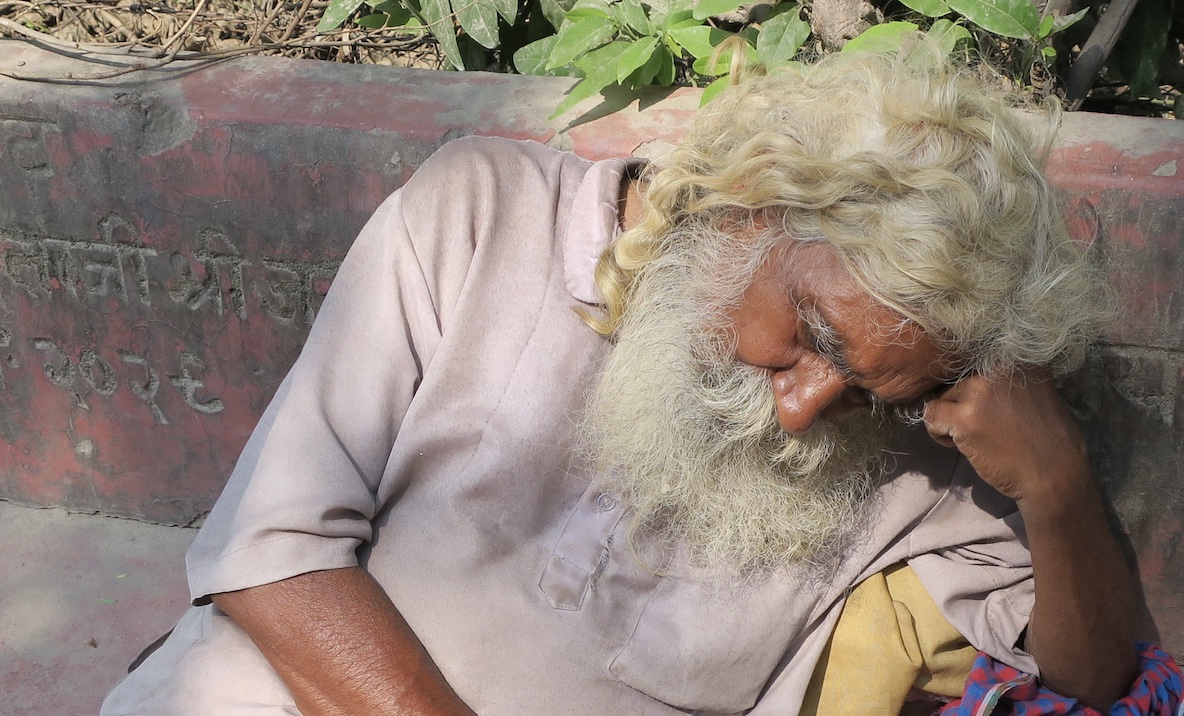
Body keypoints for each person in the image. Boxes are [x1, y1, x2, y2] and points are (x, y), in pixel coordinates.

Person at [102, 45, 1178, 716]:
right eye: (809, 332)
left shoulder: (909, 458)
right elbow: (271, 553)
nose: (804, 406)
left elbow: (1092, 679)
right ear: (755, 201)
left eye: (866, 389)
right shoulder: (480, 215)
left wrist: (1055, 485)